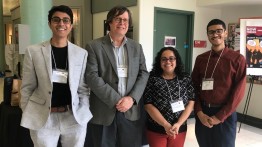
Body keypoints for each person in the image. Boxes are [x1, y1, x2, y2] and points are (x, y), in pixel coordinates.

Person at [20, 5, 92, 147]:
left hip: (74, 117)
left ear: (71, 25)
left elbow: (83, 88)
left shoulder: (81, 53)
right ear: (49, 24)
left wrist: (84, 108)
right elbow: (27, 87)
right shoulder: (33, 51)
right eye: (56, 20)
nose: (61, 24)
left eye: (66, 20)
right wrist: (28, 110)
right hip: (43, 118)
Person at [85, 5, 149, 147]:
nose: (122, 23)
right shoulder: (94, 46)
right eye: (118, 19)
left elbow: (143, 73)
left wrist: (131, 99)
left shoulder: (136, 47)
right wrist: (117, 100)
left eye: (125, 20)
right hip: (104, 111)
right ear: (110, 22)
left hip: (130, 111)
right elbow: (91, 76)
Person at [191, 19, 246, 147]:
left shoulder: (237, 59)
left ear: (225, 33)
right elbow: (193, 87)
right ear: (207, 35)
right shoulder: (201, 59)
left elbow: (238, 92)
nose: (215, 35)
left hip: (225, 115)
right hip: (203, 113)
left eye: (219, 31)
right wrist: (199, 112)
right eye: (211, 32)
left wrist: (219, 117)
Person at [143, 47, 195, 147]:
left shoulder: (185, 77)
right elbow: (147, 105)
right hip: (156, 128)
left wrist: (178, 124)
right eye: (164, 59)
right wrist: (165, 125)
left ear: (176, 60)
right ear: (159, 61)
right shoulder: (152, 78)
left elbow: (191, 103)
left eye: (171, 58)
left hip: (179, 128)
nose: (168, 61)